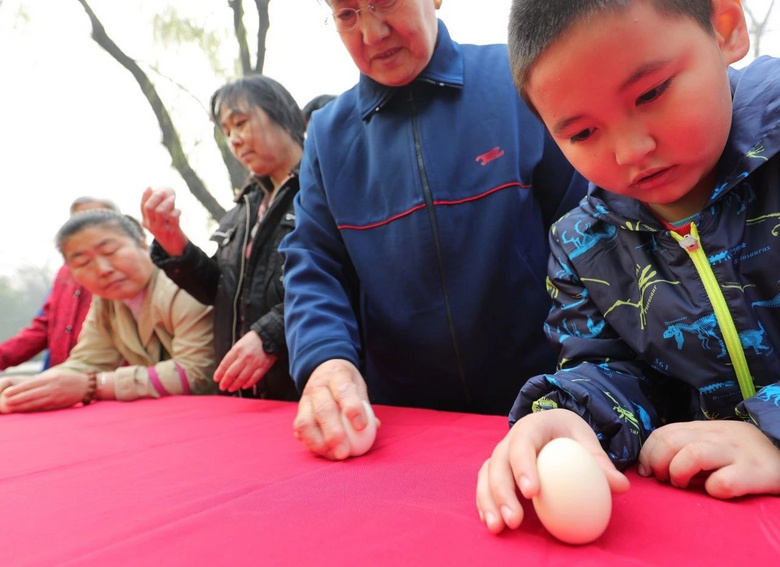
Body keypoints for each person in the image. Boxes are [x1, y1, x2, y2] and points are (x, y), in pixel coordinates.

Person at [476, 0, 780, 534]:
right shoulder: (581, 243)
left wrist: (771, 432)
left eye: (651, 92)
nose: (632, 151)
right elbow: (617, 371)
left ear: (725, 29)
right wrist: (565, 415)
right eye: (582, 134)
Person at [280, 0, 588, 461]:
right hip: (401, 428)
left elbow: (586, 233)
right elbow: (314, 263)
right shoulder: (327, 136)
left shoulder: (517, 81)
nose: (371, 33)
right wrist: (326, 359)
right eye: (347, 14)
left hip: (545, 406)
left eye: (384, 2)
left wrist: (587, 376)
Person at [141, 75, 304, 401]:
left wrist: (270, 335)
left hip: (305, 386)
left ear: (283, 114)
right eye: (226, 131)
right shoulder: (244, 208)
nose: (234, 140)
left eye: (240, 123)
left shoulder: (325, 188)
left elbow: (342, 280)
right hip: (243, 394)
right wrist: (174, 243)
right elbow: (219, 290)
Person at [0, 209, 216, 412]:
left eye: (110, 252)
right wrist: (28, 387)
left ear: (142, 243)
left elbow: (197, 373)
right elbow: (88, 361)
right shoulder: (106, 301)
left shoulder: (184, 284)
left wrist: (94, 385)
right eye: (83, 263)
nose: (102, 269)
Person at [0, 196, 118, 372]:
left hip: (107, 380)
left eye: (95, 220)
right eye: (77, 222)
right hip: (60, 378)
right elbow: (42, 328)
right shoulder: (64, 274)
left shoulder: (123, 272)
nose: (85, 228)